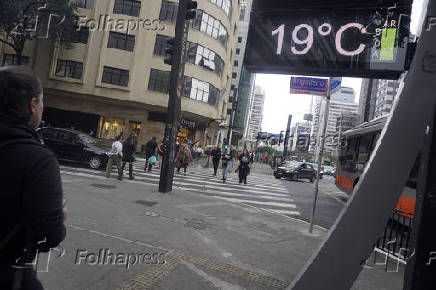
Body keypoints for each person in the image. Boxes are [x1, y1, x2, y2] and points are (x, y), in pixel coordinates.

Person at [0, 67, 66, 290]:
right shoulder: (38, 159)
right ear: (32, 106)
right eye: (41, 101)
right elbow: (49, 234)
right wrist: (57, 216)